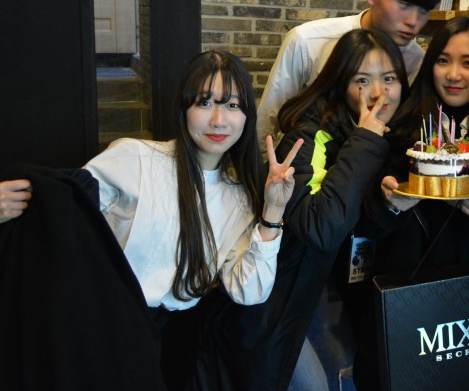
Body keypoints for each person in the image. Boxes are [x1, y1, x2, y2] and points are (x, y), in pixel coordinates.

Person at [0, 50, 302, 389]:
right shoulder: (136, 159)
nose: (219, 120)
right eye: (204, 103)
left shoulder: (240, 199)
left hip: (175, 344)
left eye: (233, 105)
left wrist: (273, 210)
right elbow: (62, 207)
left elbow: (249, 290)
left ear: (247, 116)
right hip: (106, 328)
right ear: (183, 109)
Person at [188, 29, 409, 391]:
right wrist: (366, 140)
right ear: (340, 83)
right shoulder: (310, 136)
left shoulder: (376, 135)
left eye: (389, 79)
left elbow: (356, 218)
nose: (378, 93)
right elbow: (321, 227)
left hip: (316, 294)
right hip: (268, 301)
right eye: (362, 80)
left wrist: (389, 205)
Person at [348, 17, 469, 390]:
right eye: (443, 60)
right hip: (403, 308)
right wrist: (388, 204)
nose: (453, 74)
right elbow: (361, 227)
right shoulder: (397, 129)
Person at [256, 0, 445, 153]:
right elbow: (266, 128)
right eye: (404, 5)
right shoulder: (308, 41)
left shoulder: (418, 60)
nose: (414, 21)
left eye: (424, 10)